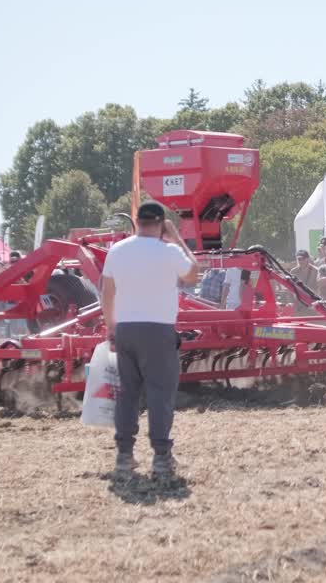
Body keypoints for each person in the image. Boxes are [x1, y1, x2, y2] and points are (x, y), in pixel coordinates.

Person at [100, 202, 201, 478]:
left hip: (125, 330)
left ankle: (124, 455)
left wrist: (111, 327)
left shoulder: (117, 250)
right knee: (159, 393)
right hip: (158, 331)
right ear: (161, 224)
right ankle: (161, 457)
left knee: (127, 393)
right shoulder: (169, 251)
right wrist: (177, 238)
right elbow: (193, 273)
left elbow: (107, 292)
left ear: (136, 221)